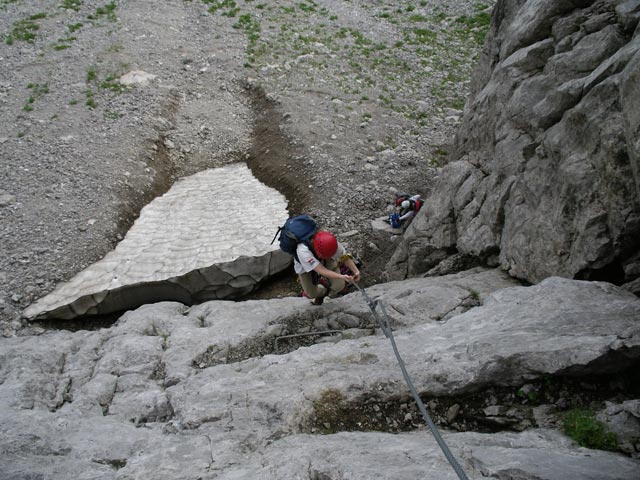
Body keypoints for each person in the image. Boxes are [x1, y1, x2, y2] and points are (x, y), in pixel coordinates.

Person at [294, 230, 361, 305]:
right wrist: (341, 276)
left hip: (324, 255)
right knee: (311, 293)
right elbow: (321, 270)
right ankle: (322, 291)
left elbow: (344, 257)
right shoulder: (302, 250)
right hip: (303, 265)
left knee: (339, 286)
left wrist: (356, 271)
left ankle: (328, 284)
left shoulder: (330, 242)